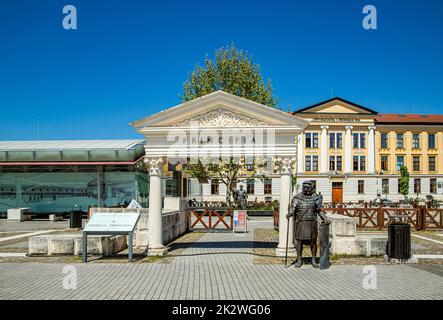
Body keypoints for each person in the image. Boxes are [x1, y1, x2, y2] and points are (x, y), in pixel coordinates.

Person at [287, 181, 331, 268]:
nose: (306, 189)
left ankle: (313, 259)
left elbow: (319, 211)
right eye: (304, 187)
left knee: (313, 242)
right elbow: (293, 210)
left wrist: (325, 218)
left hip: (311, 223)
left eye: (308, 187)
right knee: (299, 242)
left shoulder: (315, 199)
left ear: (312, 188)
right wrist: (290, 213)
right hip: (301, 223)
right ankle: (299, 259)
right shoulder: (297, 198)